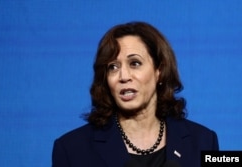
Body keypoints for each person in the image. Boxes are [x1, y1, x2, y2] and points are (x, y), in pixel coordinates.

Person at [52, 21, 219, 167]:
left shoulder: (203, 141)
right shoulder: (71, 150)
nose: (124, 76)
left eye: (135, 63)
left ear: (159, 71)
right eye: (113, 67)